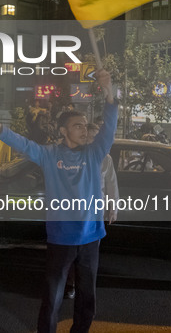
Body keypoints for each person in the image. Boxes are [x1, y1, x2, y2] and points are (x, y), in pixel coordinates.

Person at [0, 68, 117, 333]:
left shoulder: (95, 153)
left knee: (87, 297)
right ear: (63, 130)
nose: (84, 129)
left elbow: (109, 128)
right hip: (61, 238)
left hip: (91, 237)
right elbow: (22, 144)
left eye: (85, 125)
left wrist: (109, 91)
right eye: (78, 125)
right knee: (52, 297)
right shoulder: (49, 155)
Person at [63, 122, 119, 300]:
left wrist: (112, 208)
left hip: (95, 212)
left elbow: (111, 184)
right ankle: (70, 283)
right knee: (71, 250)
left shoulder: (105, 158)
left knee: (89, 253)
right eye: (87, 137)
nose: (90, 140)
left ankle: (84, 286)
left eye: (94, 137)